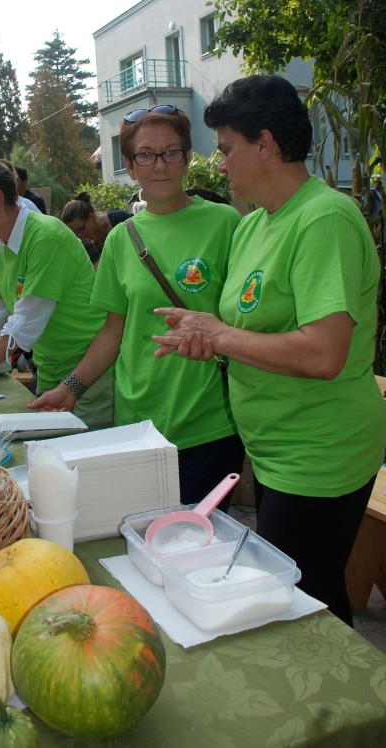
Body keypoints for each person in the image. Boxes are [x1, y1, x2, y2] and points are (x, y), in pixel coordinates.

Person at [152, 75, 386, 625]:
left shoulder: (322, 219)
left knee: (307, 605)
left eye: (228, 149)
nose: (221, 163)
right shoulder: (253, 224)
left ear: (266, 144)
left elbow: (324, 354)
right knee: (302, 592)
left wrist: (221, 336)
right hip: (275, 451)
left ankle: (339, 708)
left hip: (320, 454)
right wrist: (208, 337)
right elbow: (254, 332)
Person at [30, 105, 244, 504]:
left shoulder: (226, 223)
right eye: (145, 154)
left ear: (187, 158)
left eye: (171, 152)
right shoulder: (120, 240)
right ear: (130, 165)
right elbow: (114, 330)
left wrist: (215, 332)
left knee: (199, 546)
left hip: (209, 423)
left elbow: (243, 318)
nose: (159, 164)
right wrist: (71, 387)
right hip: (136, 422)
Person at [0, 153, 114, 428]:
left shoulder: (45, 237)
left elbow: (19, 329)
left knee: (82, 462)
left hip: (88, 376)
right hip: (51, 371)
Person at [61, 191, 130, 250]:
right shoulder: (90, 246)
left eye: (80, 229)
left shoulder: (120, 219)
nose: (80, 236)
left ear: (91, 217)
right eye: (75, 233)